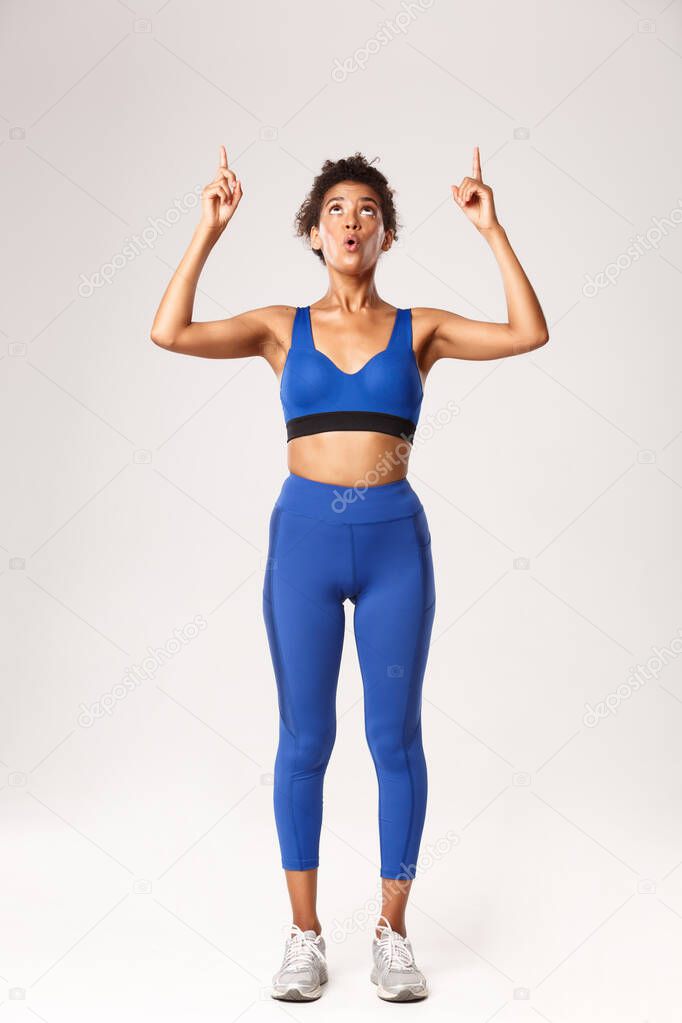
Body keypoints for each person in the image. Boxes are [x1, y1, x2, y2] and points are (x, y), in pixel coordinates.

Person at [150, 145, 548, 1002]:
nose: (352, 221)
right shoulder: (279, 327)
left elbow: (528, 331)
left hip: (395, 541)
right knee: (305, 740)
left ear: (386, 233)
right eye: (336, 209)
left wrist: (492, 228)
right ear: (313, 231)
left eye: (368, 209)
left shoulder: (423, 329)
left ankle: (392, 935)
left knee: (393, 739)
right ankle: (303, 935)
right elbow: (169, 330)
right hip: (304, 541)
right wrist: (206, 230)